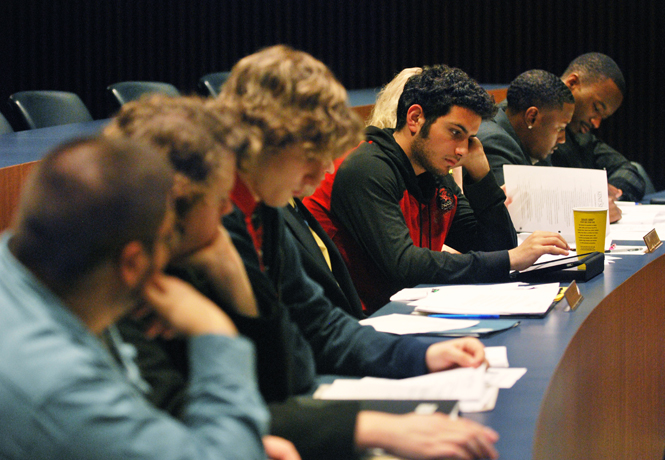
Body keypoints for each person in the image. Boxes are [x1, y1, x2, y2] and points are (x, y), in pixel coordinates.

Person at [212, 44, 500, 460]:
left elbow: (321, 324)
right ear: (257, 141)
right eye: (309, 156)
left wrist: (423, 354)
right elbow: (239, 385)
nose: (315, 179)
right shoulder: (206, 223)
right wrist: (367, 426)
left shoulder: (265, 207)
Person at [0, 136, 269, 459]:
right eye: (169, 236)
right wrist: (213, 331)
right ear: (132, 262)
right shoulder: (58, 383)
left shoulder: (25, 266)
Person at [103, 94, 300, 460]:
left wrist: (235, 281)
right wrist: (213, 326)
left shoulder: (197, 258)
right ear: (174, 204)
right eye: (219, 197)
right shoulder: (111, 295)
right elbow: (184, 426)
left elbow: (279, 388)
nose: (229, 210)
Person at [305, 65, 570, 313]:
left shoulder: (435, 172)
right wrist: (509, 259)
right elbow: (404, 265)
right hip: (361, 324)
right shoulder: (367, 168)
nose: (463, 150)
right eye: (455, 133)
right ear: (415, 118)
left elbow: (496, 247)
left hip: (406, 314)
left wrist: (482, 176)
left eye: (469, 138)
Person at [550, 52, 646, 221]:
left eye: (603, 117)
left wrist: (610, 197)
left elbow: (630, 171)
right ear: (572, 83)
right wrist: (590, 202)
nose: (596, 123)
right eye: (596, 108)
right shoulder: (525, 133)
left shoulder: (581, 136)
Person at [477, 69, 575, 185]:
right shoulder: (494, 143)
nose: (562, 139)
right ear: (532, 117)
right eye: (560, 128)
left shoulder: (531, 144)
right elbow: (508, 202)